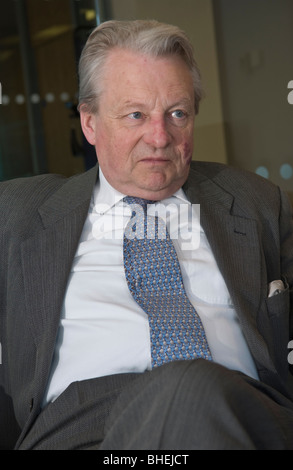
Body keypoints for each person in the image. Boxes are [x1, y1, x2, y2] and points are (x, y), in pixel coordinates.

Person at [0, 19, 293, 451]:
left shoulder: (257, 202)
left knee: (188, 390)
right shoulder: (16, 213)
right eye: (136, 114)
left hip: (241, 416)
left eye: (177, 114)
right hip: (85, 429)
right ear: (90, 124)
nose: (159, 137)